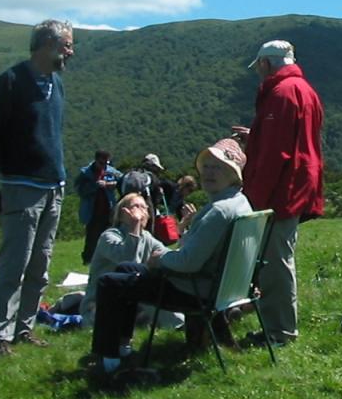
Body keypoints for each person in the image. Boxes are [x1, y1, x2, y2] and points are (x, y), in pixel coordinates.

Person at [88, 139, 252, 380]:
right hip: (220, 287)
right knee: (125, 268)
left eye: (218, 168)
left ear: (233, 175)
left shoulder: (219, 211)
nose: (208, 173)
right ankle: (123, 346)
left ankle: (110, 359)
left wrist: (160, 258)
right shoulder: (241, 203)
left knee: (110, 283)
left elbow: (188, 263)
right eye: (206, 166)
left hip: (196, 290)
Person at [0, 18, 73, 356]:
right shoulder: (12, 81)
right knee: (14, 265)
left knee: (40, 265)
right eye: (67, 45)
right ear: (47, 45)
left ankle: (24, 328)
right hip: (21, 185)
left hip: (53, 186)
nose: (71, 52)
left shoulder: (55, 83)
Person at [237, 39, 325, 346]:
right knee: (277, 256)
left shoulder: (280, 93)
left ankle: (281, 332)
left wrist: (253, 197)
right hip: (300, 182)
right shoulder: (305, 90)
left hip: (283, 188)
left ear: (265, 63)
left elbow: (277, 153)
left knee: (276, 260)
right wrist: (257, 134)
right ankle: (275, 325)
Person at [81, 190, 167, 327]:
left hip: (133, 300)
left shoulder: (147, 238)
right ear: (122, 214)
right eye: (136, 207)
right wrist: (134, 226)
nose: (142, 211)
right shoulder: (109, 236)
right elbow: (128, 262)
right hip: (100, 303)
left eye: (144, 207)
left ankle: (182, 328)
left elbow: (168, 255)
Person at [74, 149, 121, 264]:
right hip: (92, 210)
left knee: (109, 235)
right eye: (101, 163)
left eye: (106, 163)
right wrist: (94, 186)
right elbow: (79, 189)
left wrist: (108, 184)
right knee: (92, 237)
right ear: (96, 160)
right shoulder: (86, 173)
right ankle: (88, 259)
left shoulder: (112, 172)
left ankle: (107, 259)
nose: (103, 166)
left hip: (108, 209)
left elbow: (123, 181)